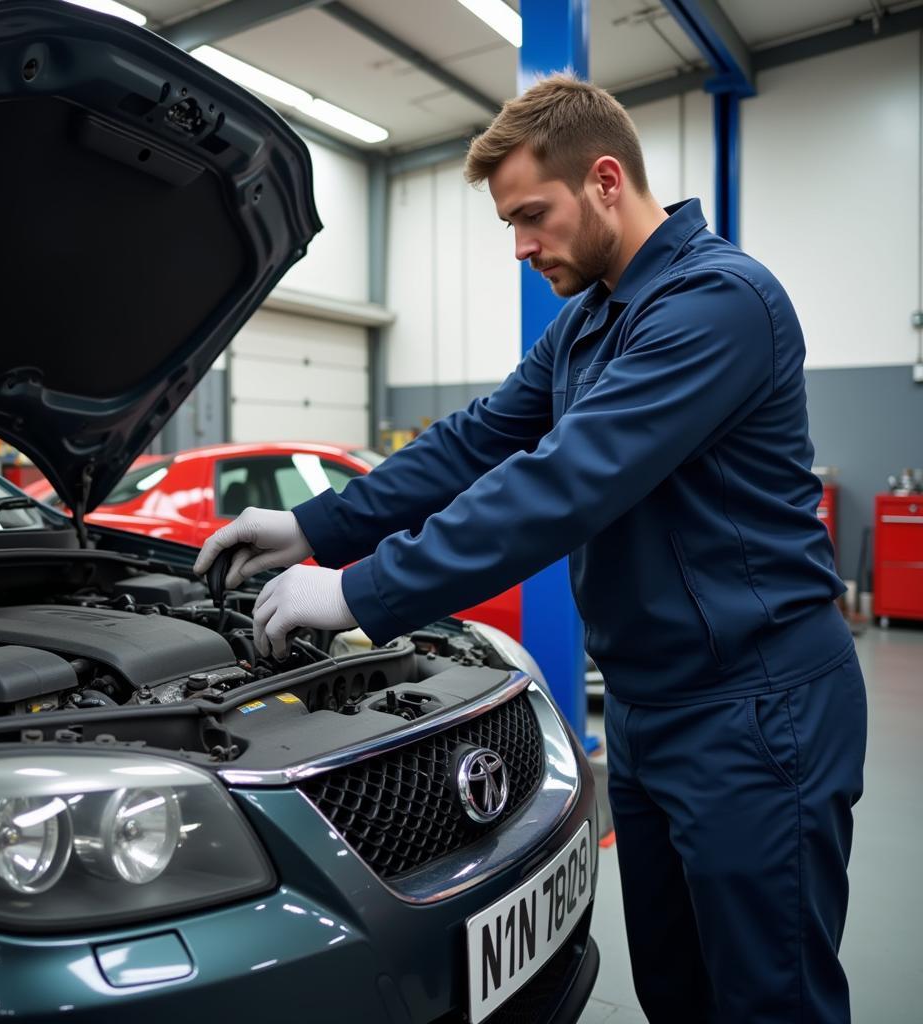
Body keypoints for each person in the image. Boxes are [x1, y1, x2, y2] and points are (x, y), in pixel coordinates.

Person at [194, 73, 866, 1024]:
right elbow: (474, 441)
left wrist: (357, 592)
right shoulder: (588, 324)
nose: (521, 247)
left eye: (533, 216)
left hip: (756, 710)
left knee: (768, 1000)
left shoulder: (718, 304)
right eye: (510, 224)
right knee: (677, 989)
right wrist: (315, 525)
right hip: (647, 708)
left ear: (604, 180)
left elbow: (561, 485)